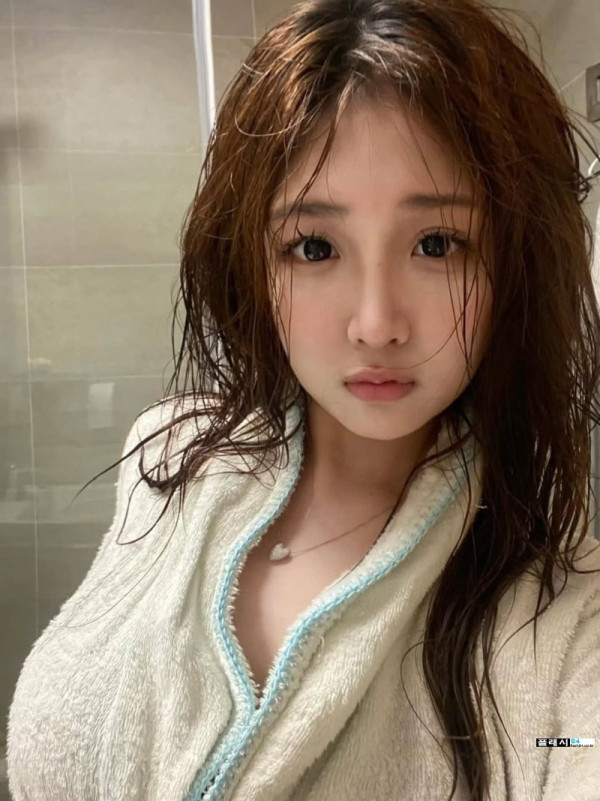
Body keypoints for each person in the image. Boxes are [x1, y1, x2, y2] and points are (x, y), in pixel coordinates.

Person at [7, 0, 600, 799]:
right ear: (256, 263)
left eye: (438, 244)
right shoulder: (172, 457)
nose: (376, 323)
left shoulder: (563, 611)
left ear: (515, 264)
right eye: (314, 246)